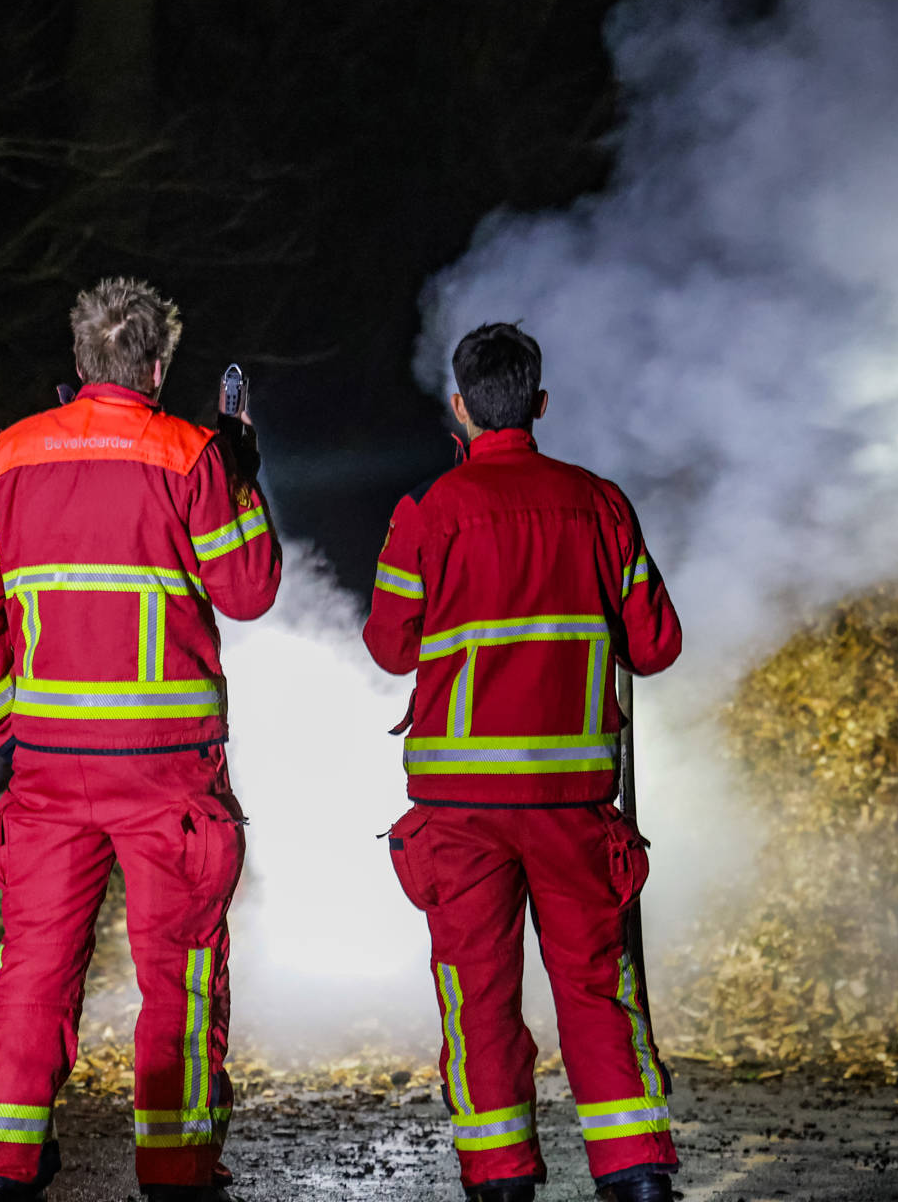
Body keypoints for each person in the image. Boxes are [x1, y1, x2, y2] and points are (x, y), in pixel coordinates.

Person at [0, 277, 280, 1202]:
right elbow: (250, 591)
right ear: (157, 368)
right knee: (181, 975)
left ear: (81, 358)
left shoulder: (7, 456)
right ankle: (176, 1168)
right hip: (168, 773)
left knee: (34, 964)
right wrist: (242, 475)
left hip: (49, 767)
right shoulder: (191, 455)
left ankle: (4, 1160)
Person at [364, 323, 685, 1202]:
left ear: (459, 408)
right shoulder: (601, 505)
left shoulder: (427, 513)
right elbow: (656, 647)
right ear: (540, 404)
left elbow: (390, 647)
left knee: (478, 997)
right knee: (596, 988)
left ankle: (500, 1179)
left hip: (460, 811)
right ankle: (638, 1173)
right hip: (572, 804)